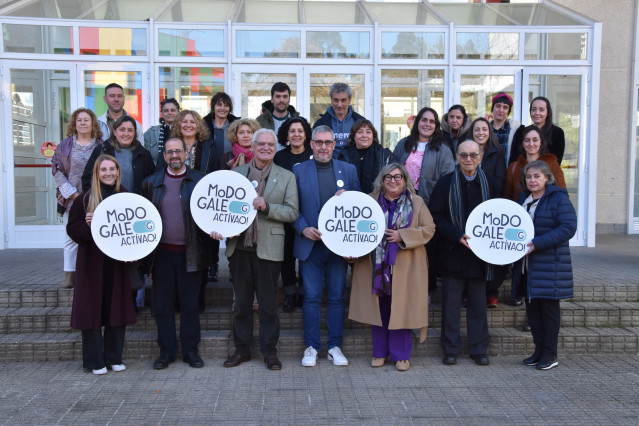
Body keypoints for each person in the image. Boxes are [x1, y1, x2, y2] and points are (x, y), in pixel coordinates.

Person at [215, 129, 299, 371]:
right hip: (240, 247)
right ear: (252, 147)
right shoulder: (236, 174)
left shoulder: (286, 177)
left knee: (269, 304)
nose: (265, 148)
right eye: (260, 144)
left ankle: (269, 352)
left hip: (269, 247)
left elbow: (292, 212)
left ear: (275, 148)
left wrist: (267, 206)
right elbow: (223, 209)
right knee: (241, 304)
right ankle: (241, 350)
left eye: (270, 145)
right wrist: (218, 227)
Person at [348, 163, 435, 371]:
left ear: (405, 180)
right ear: (382, 179)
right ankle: (379, 353)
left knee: (401, 309)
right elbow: (352, 224)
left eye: (398, 177)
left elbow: (429, 228)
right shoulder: (368, 201)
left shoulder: (416, 202)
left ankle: (401, 355)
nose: (393, 181)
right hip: (376, 266)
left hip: (405, 266)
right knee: (379, 309)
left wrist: (402, 235)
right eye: (388, 177)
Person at [293, 125, 360, 367]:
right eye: (319, 142)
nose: (323, 146)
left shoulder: (349, 170)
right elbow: (292, 207)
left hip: (338, 248)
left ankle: (334, 346)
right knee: (310, 298)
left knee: (336, 297)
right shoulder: (298, 170)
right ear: (311, 144)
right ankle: (311, 347)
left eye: (328, 142)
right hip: (310, 245)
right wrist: (302, 228)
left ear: (334, 145)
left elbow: (358, 210)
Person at [141, 137, 209, 370]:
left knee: (190, 306)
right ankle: (166, 352)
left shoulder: (200, 181)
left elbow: (210, 215)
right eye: (169, 152)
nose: (174, 156)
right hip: (161, 256)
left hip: (191, 254)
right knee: (163, 306)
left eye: (178, 151)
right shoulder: (150, 183)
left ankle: (191, 351)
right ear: (164, 155)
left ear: (186, 152)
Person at [429, 140, 498, 367]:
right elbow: (436, 216)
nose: (468, 159)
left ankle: (479, 349)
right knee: (450, 306)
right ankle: (450, 349)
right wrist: (457, 234)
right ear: (457, 157)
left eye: (473, 155)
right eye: (464, 155)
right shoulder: (446, 183)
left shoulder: (492, 185)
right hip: (452, 253)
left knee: (478, 305)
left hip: (480, 257)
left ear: (480, 156)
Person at [66, 154, 136, 375]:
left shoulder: (126, 197)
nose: (108, 173)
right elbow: (72, 230)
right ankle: (94, 360)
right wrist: (89, 226)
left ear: (118, 171)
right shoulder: (84, 200)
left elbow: (137, 230)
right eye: (103, 170)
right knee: (92, 310)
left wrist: (136, 251)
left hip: (117, 265)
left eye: (111, 169)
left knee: (116, 310)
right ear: (97, 173)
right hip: (91, 265)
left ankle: (114, 357)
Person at [512, 160, 577, 370]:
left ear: (547, 178)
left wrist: (537, 244)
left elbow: (568, 228)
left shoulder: (558, 198)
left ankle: (550, 354)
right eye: (529, 177)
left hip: (550, 265)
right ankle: (538, 351)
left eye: (537, 176)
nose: (532, 180)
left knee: (548, 312)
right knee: (533, 312)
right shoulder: (524, 199)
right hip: (528, 265)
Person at [393, 106, 455, 294]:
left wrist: (438, 203)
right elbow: (392, 169)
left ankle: (425, 290)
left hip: (429, 204)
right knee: (402, 244)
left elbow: (448, 178)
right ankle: (401, 286)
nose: (427, 124)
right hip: (402, 204)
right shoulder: (404, 144)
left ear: (436, 126)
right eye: (424, 120)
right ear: (417, 122)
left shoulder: (442, 149)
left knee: (425, 248)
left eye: (431, 121)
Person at [52, 108, 103, 289]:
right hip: (71, 198)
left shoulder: (101, 146)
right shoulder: (65, 146)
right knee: (70, 236)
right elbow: (57, 171)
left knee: (95, 235)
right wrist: (73, 193)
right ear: (74, 124)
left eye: (86, 120)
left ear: (92, 124)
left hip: (96, 197)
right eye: (79, 120)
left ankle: (91, 273)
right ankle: (69, 274)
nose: (82, 123)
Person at [274, 117, 313, 312]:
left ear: (306, 134)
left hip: (308, 214)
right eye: (292, 131)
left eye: (300, 130)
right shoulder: (279, 157)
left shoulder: (314, 155)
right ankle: (290, 294)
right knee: (287, 256)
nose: (296, 134)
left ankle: (306, 293)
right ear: (286, 135)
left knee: (306, 256)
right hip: (285, 213)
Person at [82, 115, 155, 194]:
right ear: (114, 132)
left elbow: (151, 182)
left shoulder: (144, 154)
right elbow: (87, 179)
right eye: (122, 130)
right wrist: (95, 200)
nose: (126, 134)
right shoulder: (101, 150)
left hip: (135, 204)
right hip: (106, 203)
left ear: (134, 133)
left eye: (130, 130)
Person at [504, 125, 566, 202]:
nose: (531, 144)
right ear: (522, 143)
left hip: (546, 213)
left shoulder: (551, 164)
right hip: (519, 213)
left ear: (541, 142)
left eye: (535, 140)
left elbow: (562, 195)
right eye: (527, 140)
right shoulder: (513, 167)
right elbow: (507, 197)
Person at [338, 119, 397, 194]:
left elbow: (395, 179)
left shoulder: (385, 155)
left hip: (379, 200)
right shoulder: (343, 156)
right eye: (360, 132)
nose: (364, 135)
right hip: (351, 200)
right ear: (353, 136)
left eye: (368, 132)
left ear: (373, 136)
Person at [312, 82, 365, 159]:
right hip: (328, 166)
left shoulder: (360, 121)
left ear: (349, 100)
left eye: (343, 100)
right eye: (336, 100)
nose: (339, 105)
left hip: (353, 167)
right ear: (331, 100)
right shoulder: (320, 123)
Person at [509, 96, 565, 165]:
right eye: (534, 109)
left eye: (541, 110)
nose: (537, 113)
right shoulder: (521, 132)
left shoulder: (557, 133)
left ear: (547, 112)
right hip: (523, 173)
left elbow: (556, 162)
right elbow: (514, 159)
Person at [256, 82, 300, 146]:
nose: (281, 100)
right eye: (278, 96)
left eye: (285, 96)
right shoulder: (260, 122)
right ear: (272, 99)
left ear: (289, 99)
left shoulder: (298, 122)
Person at [203, 92, 239, 161]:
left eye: (226, 105)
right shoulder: (204, 127)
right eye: (219, 105)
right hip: (210, 170)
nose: (222, 108)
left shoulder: (236, 127)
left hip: (232, 169)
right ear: (213, 107)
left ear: (230, 108)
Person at [144, 98, 180, 164]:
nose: (169, 113)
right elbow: (145, 158)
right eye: (166, 111)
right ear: (162, 113)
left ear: (178, 112)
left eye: (173, 110)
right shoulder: (151, 133)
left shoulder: (184, 131)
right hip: (157, 172)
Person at [490, 93, 521, 166]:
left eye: (505, 107)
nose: (501, 110)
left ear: (508, 111)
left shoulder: (516, 130)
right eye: (498, 106)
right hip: (487, 175)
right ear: (492, 108)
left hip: (508, 174)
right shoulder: (485, 129)